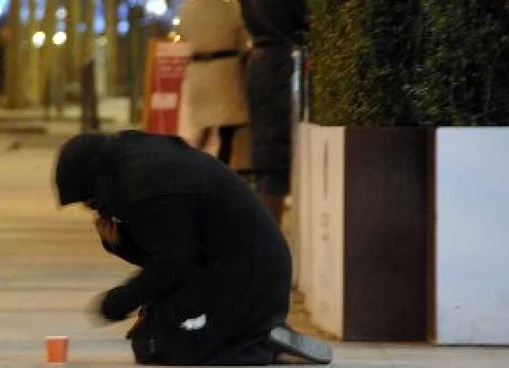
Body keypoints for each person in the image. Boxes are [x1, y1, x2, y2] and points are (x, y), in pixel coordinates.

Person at [54, 130, 332, 365]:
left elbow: (173, 263)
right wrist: (119, 244)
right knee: (151, 330)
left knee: (156, 346)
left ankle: (259, 344)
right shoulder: (133, 159)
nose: (93, 209)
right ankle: (254, 330)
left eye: (89, 201)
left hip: (249, 275)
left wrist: (119, 301)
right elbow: (169, 251)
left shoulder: (146, 184)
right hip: (233, 267)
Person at [238, 0, 309, 226]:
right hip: (284, 62)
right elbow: (303, 16)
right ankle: (269, 239)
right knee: (276, 156)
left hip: (261, 62)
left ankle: (265, 236)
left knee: (268, 155)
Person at [178, 0, 250, 165]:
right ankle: (221, 167)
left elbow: (183, 33)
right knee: (227, 130)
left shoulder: (187, 8)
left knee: (202, 127)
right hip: (225, 72)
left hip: (198, 70)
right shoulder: (230, 8)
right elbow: (241, 38)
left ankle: (191, 163)